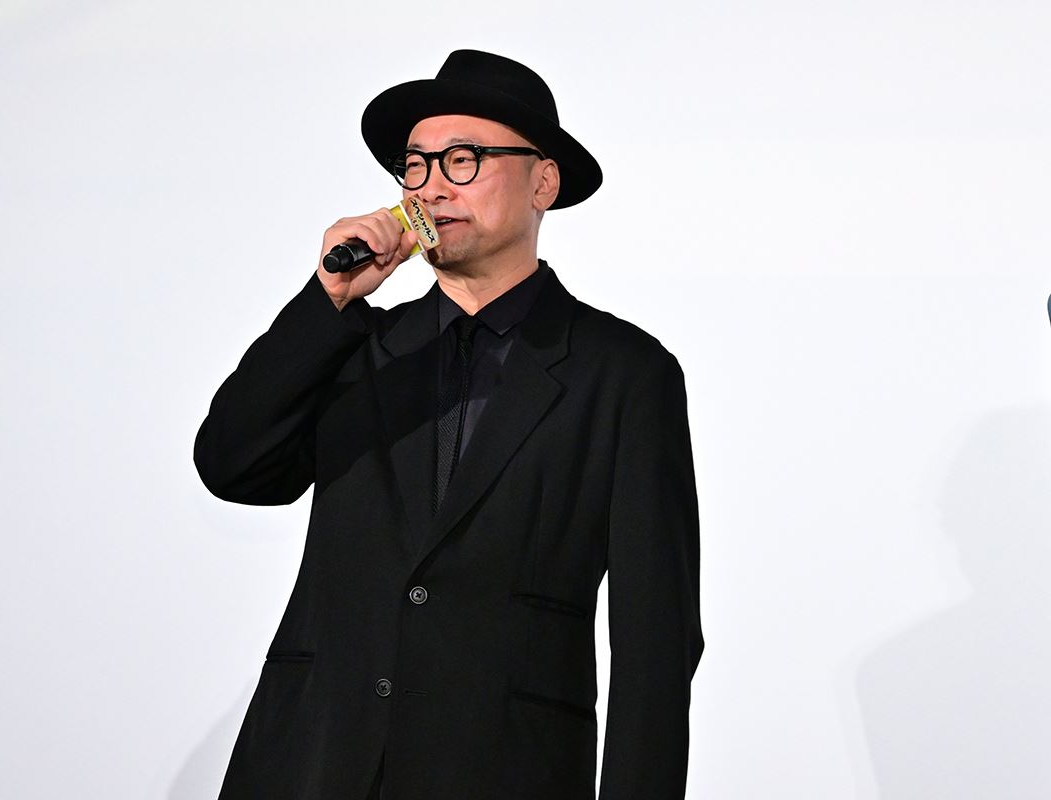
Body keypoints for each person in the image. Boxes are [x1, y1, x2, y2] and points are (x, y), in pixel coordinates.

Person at [193, 49, 704, 800]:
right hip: (314, 764)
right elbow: (234, 469)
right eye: (415, 165)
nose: (431, 186)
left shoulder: (623, 373)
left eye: (463, 159)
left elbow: (655, 636)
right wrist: (330, 297)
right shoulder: (354, 346)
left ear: (543, 181)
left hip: (505, 770)